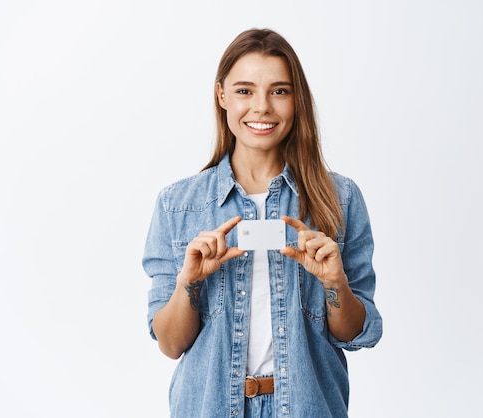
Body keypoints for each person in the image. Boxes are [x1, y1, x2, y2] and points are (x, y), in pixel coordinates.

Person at [142, 28, 382, 418]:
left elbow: (355, 334)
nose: (262, 107)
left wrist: (334, 283)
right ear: (222, 95)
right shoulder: (177, 206)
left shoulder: (340, 198)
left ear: (296, 100)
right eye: (244, 91)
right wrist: (190, 281)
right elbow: (170, 344)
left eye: (279, 91)